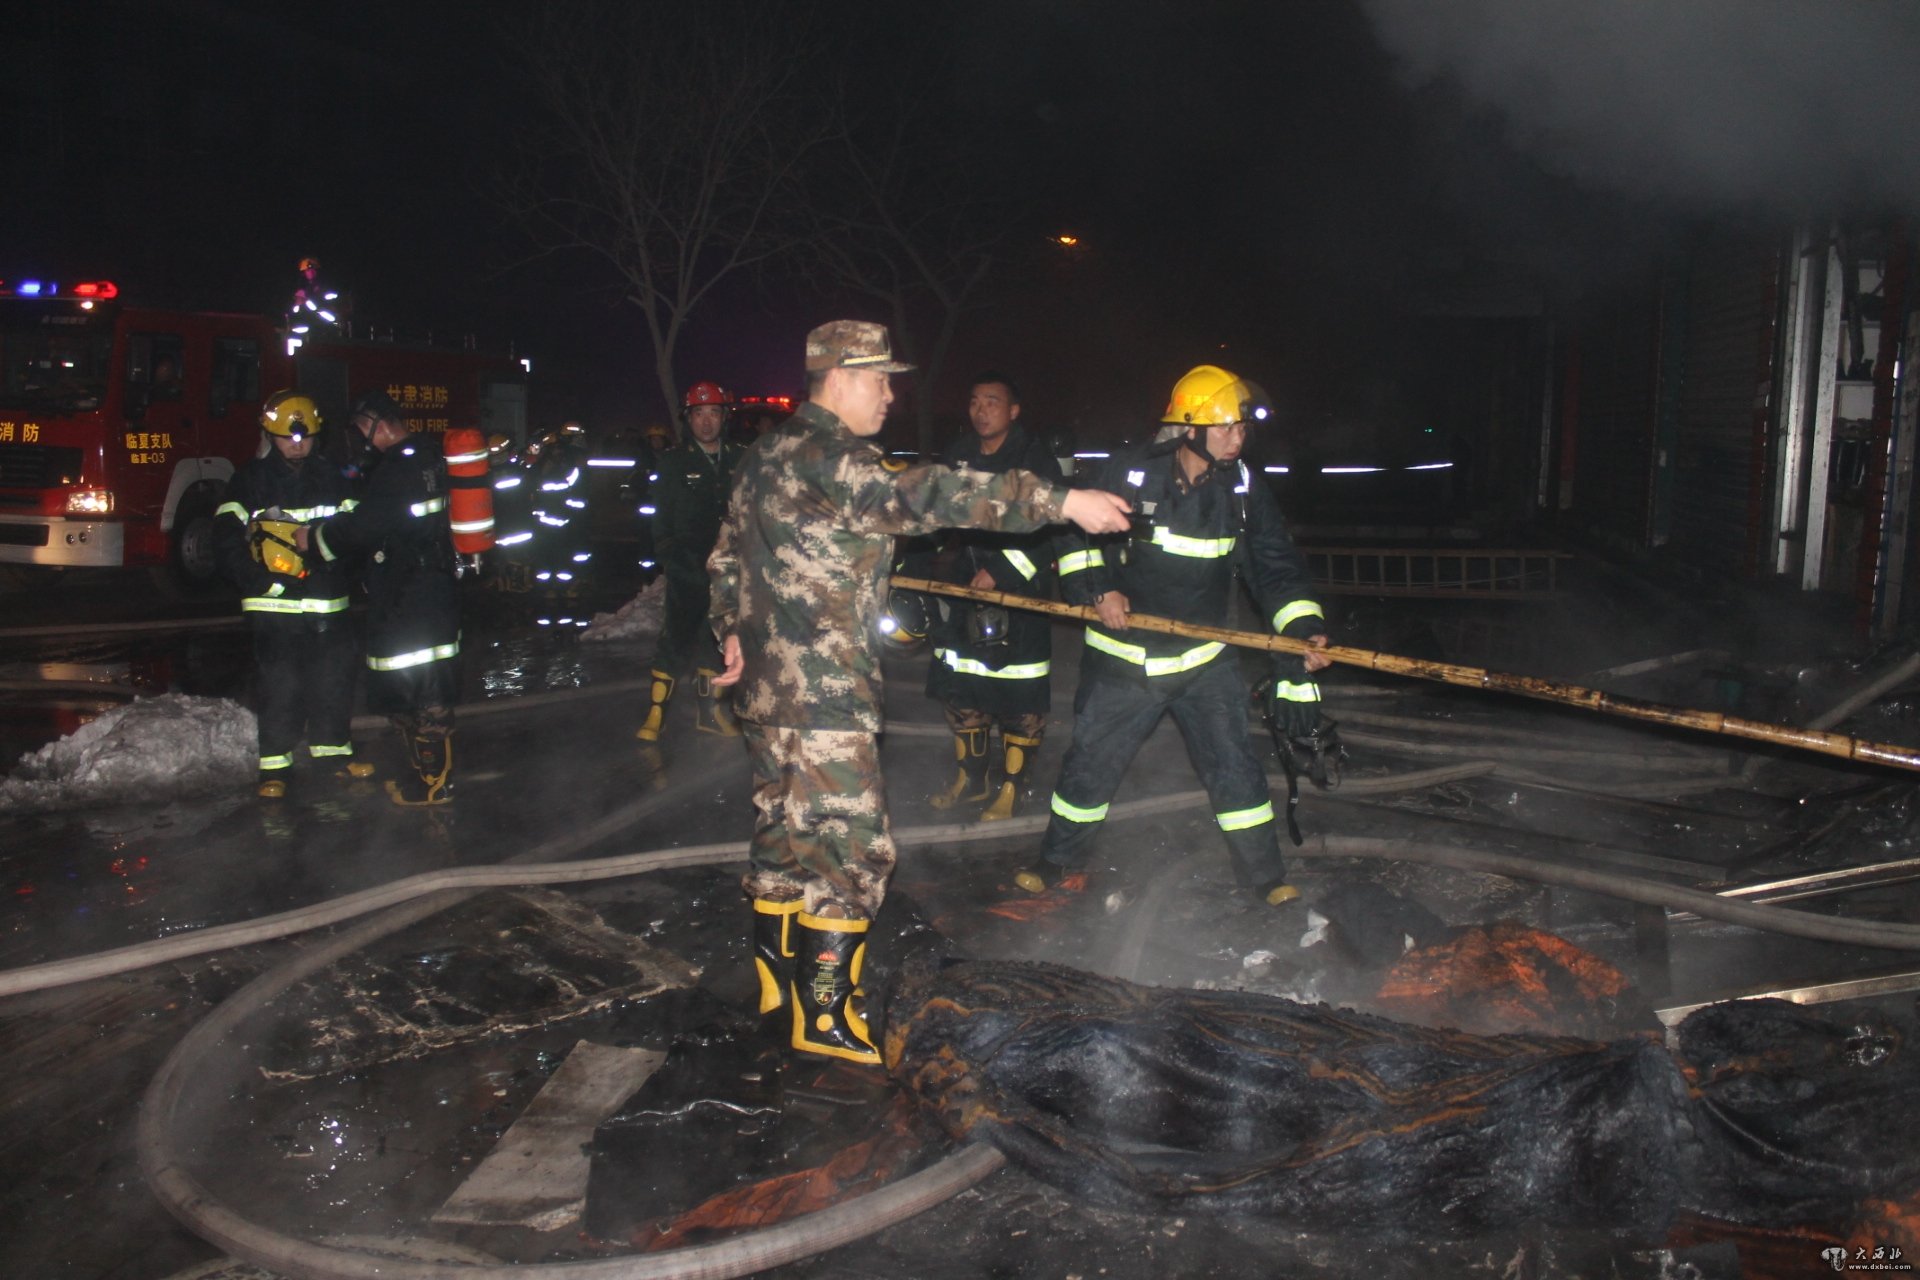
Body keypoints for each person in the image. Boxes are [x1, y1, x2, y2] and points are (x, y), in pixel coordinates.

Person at [708, 320, 1132, 1065]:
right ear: (841, 377)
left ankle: (776, 981)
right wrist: (1060, 501)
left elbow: (725, 555)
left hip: (770, 695)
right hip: (823, 698)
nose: (890, 394)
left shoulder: (764, 454)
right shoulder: (836, 459)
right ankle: (825, 1015)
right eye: (880, 379)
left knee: (782, 835)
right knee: (850, 852)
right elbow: (932, 492)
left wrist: (732, 631)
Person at [1015, 364, 1331, 908]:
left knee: (1235, 770)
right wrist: (1099, 590)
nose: (1237, 438)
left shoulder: (1244, 489)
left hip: (1205, 663)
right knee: (1089, 768)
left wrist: (1302, 629)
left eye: (1241, 428)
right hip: (1124, 662)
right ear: (1189, 427)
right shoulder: (1131, 474)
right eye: (1225, 427)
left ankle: (1264, 877)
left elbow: (1276, 568)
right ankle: (1056, 862)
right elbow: (1074, 538)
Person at [302, 390, 463, 806]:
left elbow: (367, 525)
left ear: (378, 423)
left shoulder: (398, 469)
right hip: (430, 588)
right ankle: (424, 776)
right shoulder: (427, 456)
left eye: (361, 429)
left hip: (409, 592)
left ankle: (434, 785)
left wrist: (315, 539)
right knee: (419, 688)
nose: (360, 438)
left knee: (420, 692)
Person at [916, 372, 1063, 821]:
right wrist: (915, 566)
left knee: (1020, 694)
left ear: (1013, 411)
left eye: (993, 402)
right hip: (964, 589)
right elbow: (935, 517)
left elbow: (1052, 530)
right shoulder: (958, 455)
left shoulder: (1035, 459)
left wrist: (1001, 572)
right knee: (962, 685)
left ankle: (1012, 788)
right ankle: (971, 780)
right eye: (975, 402)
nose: (981, 411)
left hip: (1019, 594)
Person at [213, 391, 369, 798]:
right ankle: (275, 769)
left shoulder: (333, 477)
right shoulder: (250, 480)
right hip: (274, 604)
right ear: (270, 435)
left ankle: (334, 756)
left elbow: (356, 531)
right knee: (280, 685)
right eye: (288, 437)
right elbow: (224, 540)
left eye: (306, 437)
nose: (298, 444)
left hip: (328, 600)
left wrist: (349, 573)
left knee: (333, 680)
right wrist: (257, 581)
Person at [638, 381, 748, 743]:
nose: (706, 421)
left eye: (713, 412)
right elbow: (660, 519)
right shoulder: (674, 462)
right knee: (676, 640)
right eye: (699, 414)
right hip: (687, 568)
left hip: (728, 573)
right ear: (689, 418)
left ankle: (709, 715)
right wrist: (670, 559)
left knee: (715, 643)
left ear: (724, 417)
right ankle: (656, 715)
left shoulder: (739, 458)